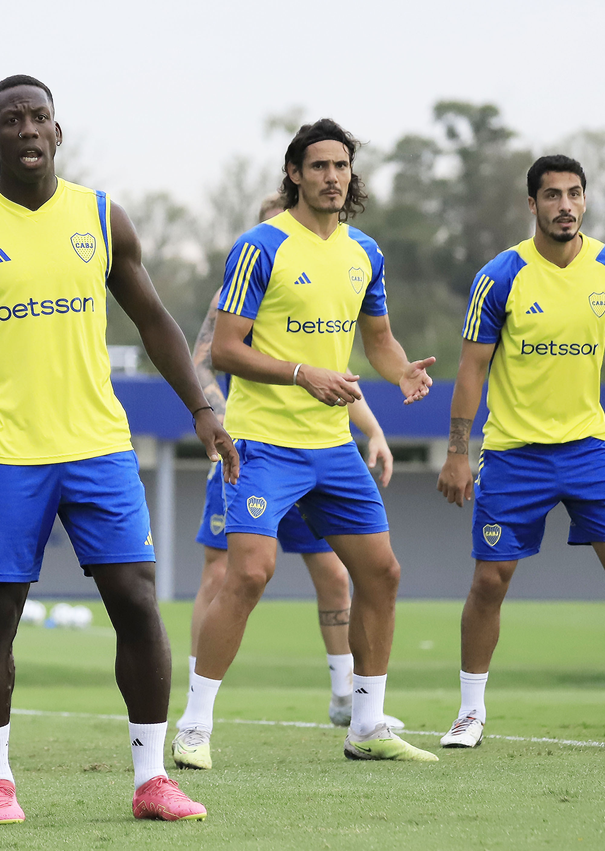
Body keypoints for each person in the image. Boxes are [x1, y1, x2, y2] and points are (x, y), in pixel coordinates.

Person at [0, 75, 237, 825]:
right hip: (9, 454)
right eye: (11, 120)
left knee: (136, 600)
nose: (28, 129)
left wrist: (203, 404)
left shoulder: (101, 216)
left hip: (100, 447)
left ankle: (153, 779)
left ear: (59, 132)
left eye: (40, 117)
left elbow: (154, 319)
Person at [173, 119, 438, 769]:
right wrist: (301, 372)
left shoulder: (364, 253)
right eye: (318, 166)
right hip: (263, 445)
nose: (331, 176)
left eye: (341, 165)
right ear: (294, 173)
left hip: (332, 448)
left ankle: (366, 723)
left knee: (382, 573)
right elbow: (227, 347)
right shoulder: (261, 246)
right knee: (250, 573)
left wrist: (400, 369)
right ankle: (194, 728)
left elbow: (376, 338)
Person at [437, 155, 605, 752]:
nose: (565, 205)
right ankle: (471, 711)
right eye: (552, 196)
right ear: (532, 205)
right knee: (491, 581)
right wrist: (457, 452)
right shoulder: (500, 276)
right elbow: (471, 369)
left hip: (590, 449)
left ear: (586, 201)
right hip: (515, 454)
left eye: (574, 194)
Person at [182, 191, 402, 732]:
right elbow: (206, 359)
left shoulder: (354, 258)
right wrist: (218, 417)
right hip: (255, 444)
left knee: (343, 572)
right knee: (234, 572)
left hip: (326, 450)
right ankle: (195, 709)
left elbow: (341, 371)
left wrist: (373, 429)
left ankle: (349, 702)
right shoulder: (248, 269)